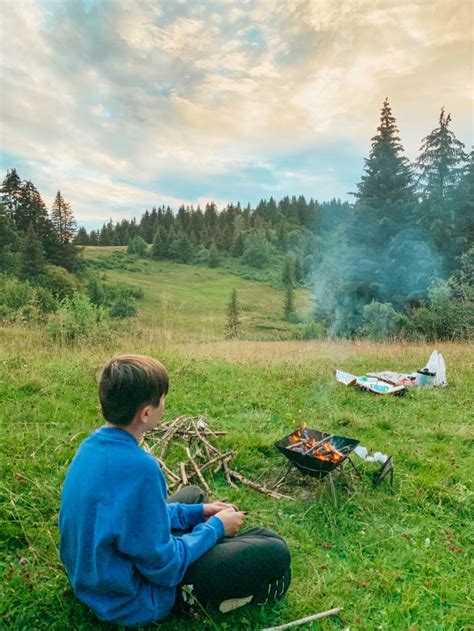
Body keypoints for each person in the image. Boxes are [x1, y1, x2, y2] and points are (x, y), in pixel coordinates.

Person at [59, 354, 291, 627]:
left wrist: (201, 513)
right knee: (275, 549)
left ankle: (214, 546)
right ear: (146, 413)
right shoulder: (142, 468)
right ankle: (194, 595)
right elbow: (165, 566)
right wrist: (215, 527)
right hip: (132, 598)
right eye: (162, 398)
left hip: (95, 578)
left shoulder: (90, 446)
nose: (164, 404)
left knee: (193, 495)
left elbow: (129, 517)